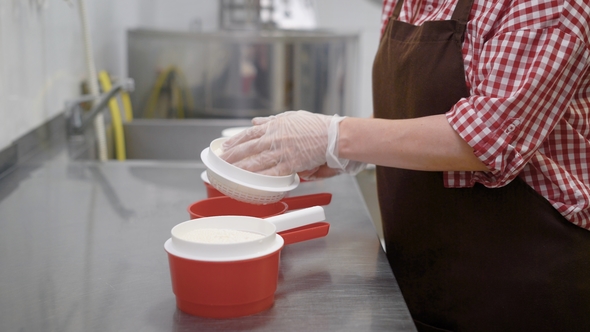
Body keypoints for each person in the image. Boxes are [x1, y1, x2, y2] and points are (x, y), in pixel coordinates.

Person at [220, 0, 590, 330]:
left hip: (520, 284)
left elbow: (487, 136)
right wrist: (344, 152)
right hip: (420, 274)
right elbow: (412, 108)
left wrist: (335, 136)